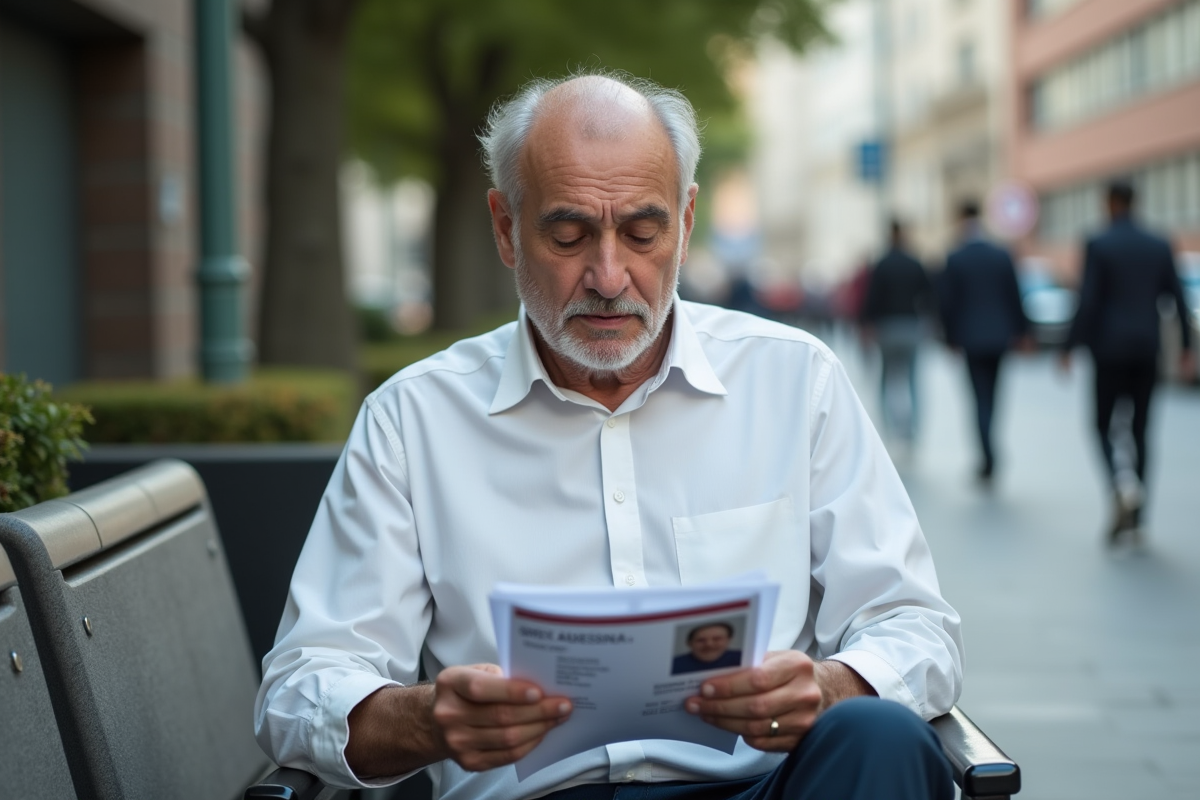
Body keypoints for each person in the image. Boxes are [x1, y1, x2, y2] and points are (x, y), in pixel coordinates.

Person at [254, 72, 963, 800]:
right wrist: (429, 718)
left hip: (759, 787)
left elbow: (914, 627)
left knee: (879, 736)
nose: (609, 274)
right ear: (505, 228)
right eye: (568, 234)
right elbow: (301, 687)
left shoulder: (795, 381)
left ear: (686, 224)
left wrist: (828, 686)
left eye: (642, 232)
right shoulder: (413, 419)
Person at [1059, 180, 1195, 547]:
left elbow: (1087, 301)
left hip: (1108, 351)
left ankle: (1122, 483)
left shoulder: (1099, 243)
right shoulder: (1158, 242)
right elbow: (1177, 297)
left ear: (1109, 203)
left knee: (1102, 425)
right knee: (1142, 429)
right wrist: (1185, 346)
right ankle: (1139, 518)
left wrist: (1069, 346)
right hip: (1146, 349)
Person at [939, 200, 1030, 483]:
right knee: (994, 396)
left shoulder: (956, 256)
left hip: (970, 338)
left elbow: (947, 303)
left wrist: (949, 338)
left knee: (979, 398)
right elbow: (1014, 294)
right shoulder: (1001, 254)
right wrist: (1023, 331)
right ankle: (991, 448)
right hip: (1000, 336)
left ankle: (987, 455)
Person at [859, 219, 933, 447]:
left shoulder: (881, 264)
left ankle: (889, 428)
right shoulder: (915, 263)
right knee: (912, 379)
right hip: (911, 326)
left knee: (886, 379)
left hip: (887, 327)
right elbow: (929, 294)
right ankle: (912, 429)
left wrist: (867, 325)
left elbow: (871, 298)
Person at [672, 623, 743, 674]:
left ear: (729, 640)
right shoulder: (674, 665)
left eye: (717, 639)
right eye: (701, 640)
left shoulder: (742, 657)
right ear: (689, 643)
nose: (709, 645)